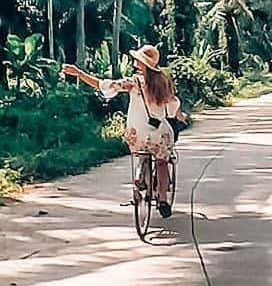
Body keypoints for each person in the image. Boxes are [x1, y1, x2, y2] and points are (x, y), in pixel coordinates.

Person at [64, 45, 184, 217]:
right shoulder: (164, 82)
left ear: (141, 63)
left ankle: (139, 178)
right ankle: (163, 198)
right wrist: (178, 116)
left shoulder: (134, 82)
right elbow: (173, 106)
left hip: (137, 133)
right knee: (162, 162)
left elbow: (104, 85)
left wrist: (80, 74)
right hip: (159, 133)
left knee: (141, 152)